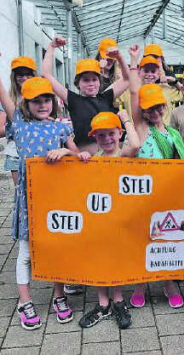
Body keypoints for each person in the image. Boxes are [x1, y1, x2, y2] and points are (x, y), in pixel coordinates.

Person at [0, 49, 83, 330]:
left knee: (55, 248)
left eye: (46, 100)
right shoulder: (18, 123)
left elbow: (80, 157)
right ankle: (25, 301)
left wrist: (65, 152)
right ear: (25, 103)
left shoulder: (60, 129)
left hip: (56, 198)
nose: (42, 105)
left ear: (53, 102)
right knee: (26, 253)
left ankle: (59, 296)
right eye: (36, 100)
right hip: (29, 200)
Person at [128, 62, 184, 308]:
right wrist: (132, 62)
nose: (154, 111)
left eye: (158, 106)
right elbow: (134, 92)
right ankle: (140, 283)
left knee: (166, 238)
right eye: (149, 108)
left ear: (165, 107)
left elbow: (182, 165)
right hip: (142, 195)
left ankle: (168, 283)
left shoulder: (173, 134)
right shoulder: (141, 128)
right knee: (142, 239)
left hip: (167, 194)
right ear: (142, 110)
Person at [77, 110, 140, 330]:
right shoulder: (94, 159)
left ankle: (118, 300)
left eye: (111, 133)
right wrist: (82, 158)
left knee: (116, 259)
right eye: (101, 135)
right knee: (100, 259)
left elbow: (136, 144)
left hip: (120, 219)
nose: (106, 139)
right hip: (100, 220)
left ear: (119, 134)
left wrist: (125, 119)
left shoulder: (124, 155)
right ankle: (103, 303)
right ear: (94, 137)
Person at [41, 37, 131, 155]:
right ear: (78, 83)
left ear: (99, 82)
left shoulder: (105, 97)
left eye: (94, 79)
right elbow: (46, 75)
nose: (91, 83)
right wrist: (51, 47)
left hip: (108, 158)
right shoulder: (73, 99)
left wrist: (119, 57)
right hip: (84, 159)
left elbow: (127, 79)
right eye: (86, 80)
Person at [0, 56, 36, 185]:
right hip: (16, 153)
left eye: (28, 74)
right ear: (14, 76)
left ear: (34, 75)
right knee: (21, 192)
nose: (24, 78)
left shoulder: (43, 97)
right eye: (20, 74)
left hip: (40, 151)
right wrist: (20, 125)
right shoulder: (9, 99)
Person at [117, 49, 183, 125]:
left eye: (153, 71)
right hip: (137, 131)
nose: (149, 74)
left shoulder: (166, 89)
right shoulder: (129, 90)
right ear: (139, 72)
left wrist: (175, 81)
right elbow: (110, 97)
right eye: (146, 71)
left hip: (164, 131)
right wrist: (122, 80)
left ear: (158, 74)